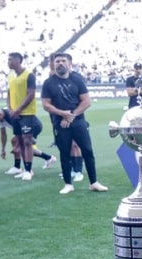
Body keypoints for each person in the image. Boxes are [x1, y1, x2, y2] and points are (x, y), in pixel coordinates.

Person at [40, 52, 108, 195]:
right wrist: (62, 113)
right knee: (64, 154)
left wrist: (71, 115)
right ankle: (68, 184)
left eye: (63, 61)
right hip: (60, 123)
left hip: (78, 122)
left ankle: (94, 182)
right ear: (53, 64)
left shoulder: (77, 79)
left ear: (70, 64)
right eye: (57, 61)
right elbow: (46, 105)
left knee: (88, 151)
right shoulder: (48, 83)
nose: (60, 63)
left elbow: (86, 101)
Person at [4, 52, 56, 179]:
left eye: (10, 60)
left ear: (18, 61)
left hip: (27, 114)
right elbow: (9, 93)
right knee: (20, 141)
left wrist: (18, 109)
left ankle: (28, 170)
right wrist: (10, 108)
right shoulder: (10, 75)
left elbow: (31, 94)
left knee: (27, 142)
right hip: (15, 114)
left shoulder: (29, 75)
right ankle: (25, 169)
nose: (8, 62)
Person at [0, 107, 56, 178]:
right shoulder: (1, 119)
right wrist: (3, 149)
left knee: (23, 147)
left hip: (33, 127)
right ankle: (18, 167)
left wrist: (16, 147)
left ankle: (28, 170)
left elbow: (21, 132)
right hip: (23, 129)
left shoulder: (11, 115)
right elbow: (3, 134)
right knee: (15, 142)